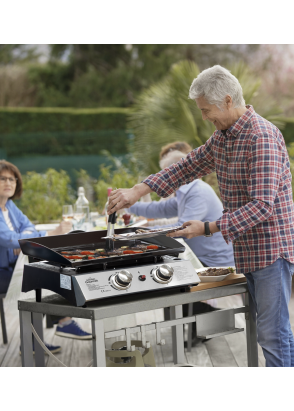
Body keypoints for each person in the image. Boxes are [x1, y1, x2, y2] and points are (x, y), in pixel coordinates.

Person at [108, 65, 294, 367]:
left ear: (229, 100)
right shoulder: (223, 137)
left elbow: (262, 206)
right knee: (276, 333)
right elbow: (186, 166)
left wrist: (208, 227)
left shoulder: (261, 137)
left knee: (272, 335)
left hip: (271, 251)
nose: (205, 117)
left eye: (207, 111)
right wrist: (137, 190)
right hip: (247, 250)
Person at [0, 160, 91, 353]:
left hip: (5, 268)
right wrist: (42, 236)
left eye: (13, 179)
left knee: (44, 275)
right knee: (38, 280)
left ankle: (57, 325)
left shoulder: (8, 206)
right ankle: (39, 337)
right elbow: (8, 238)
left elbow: (29, 228)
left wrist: (21, 240)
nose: (8, 182)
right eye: (2, 178)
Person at [128, 144, 235, 268]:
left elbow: (182, 228)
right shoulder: (184, 192)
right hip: (199, 257)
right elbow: (160, 209)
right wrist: (128, 205)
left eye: (166, 175)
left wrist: (141, 234)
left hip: (214, 262)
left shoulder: (198, 192)